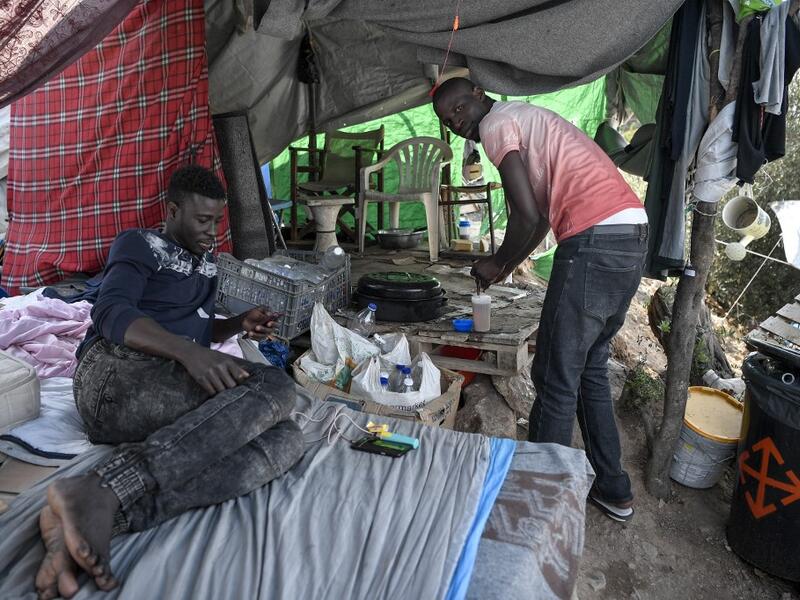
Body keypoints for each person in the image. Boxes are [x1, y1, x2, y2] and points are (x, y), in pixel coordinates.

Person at [34, 165, 304, 599]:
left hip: (162, 381)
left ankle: (99, 511)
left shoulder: (207, 264)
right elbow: (110, 313)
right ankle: (104, 489)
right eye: (201, 220)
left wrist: (234, 325)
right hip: (112, 377)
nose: (211, 230)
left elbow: (194, 328)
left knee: (286, 439)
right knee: (274, 387)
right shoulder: (141, 245)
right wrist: (190, 354)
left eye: (217, 220)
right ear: (173, 210)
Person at [433, 78, 647, 522]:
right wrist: (504, 266)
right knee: (588, 368)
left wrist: (494, 263)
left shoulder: (497, 124)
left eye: (457, 108)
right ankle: (613, 489)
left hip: (594, 238)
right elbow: (539, 221)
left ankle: (537, 505)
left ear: (477, 92)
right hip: (629, 235)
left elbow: (525, 215)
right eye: (447, 120)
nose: (456, 122)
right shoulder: (525, 118)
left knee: (553, 375)